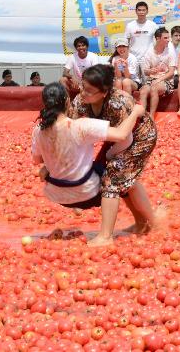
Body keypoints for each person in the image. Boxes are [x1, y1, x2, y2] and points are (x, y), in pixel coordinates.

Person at [71, 64, 162, 246]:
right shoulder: (80, 102)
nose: (83, 93)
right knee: (124, 180)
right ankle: (145, 223)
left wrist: (106, 159)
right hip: (115, 137)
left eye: (89, 90)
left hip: (138, 136)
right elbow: (71, 130)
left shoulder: (119, 102)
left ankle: (106, 236)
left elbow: (123, 137)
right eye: (82, 86)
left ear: (104, 92)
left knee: (112, 177)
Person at [32, 82, 147, 214]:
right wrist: (135, 113)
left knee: (102, 168)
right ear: (67, 101)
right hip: (87, 192)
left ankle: (139, 223)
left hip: (57, 195)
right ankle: (149, 222)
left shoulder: (38, 130)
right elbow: (121, 135)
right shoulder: (80, 126)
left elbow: (38, 160)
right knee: (128, 180)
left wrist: (50, 165)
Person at [139, 27, 176, 115]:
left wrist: (159, 79)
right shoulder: (149, 52)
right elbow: (145, 71)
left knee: (154, 88)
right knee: (143, 91)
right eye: (166, 38)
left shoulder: (170, 52)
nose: (168, 40)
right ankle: (141, 116)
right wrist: (150, 71)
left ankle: (151, 117)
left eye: (168, 37)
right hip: (152, 80)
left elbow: (171, 72)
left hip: (166, 81)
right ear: (158, 39)